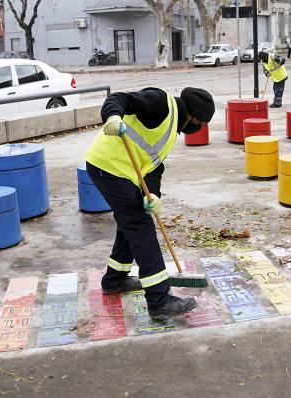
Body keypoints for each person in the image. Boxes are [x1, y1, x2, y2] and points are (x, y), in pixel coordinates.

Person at [84, 87, 215, 319]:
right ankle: (159, 300)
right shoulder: (160, 103)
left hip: (125, 173)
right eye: (202, 124)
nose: (200, 129)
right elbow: (119, 98)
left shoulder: (172, 129)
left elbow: (154, 166)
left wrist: (153, 195)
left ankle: (115, 279)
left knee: (130, 223)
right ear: (193, 118)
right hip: (108, 167)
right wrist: (113, 116)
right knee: (141, 227)